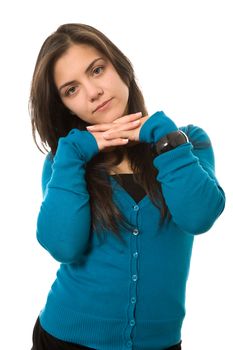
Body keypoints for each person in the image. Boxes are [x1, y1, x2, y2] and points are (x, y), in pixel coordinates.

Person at [29, 23, 225, 350]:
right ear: (65, 106)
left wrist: (164, 137)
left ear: (120, 67)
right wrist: (73, 153)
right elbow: (62, 246)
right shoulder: (64, 164)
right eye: (71, 90)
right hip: (65, 340)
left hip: (159, 343)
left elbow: (199, 217)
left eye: (97, 70)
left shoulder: (186, 143)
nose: (93, 91)